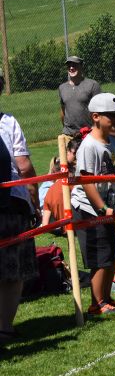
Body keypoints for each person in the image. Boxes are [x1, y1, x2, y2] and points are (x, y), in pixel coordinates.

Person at [71, 92, 115, 316]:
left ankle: (106, 297)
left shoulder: (112, 142)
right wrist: (103, 208)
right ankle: (97, 304)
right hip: (88, 209)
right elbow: (86, 182)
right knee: (100, 258)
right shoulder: (89, 146)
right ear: (95, 117)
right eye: (111, 116)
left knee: (112, 256)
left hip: (106, 208)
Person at [0, 108, 40, 343]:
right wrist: (35, 201)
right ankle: (4, 327)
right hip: (11, 203)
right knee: (12, 271)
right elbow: (23, 166)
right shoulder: (7, 121)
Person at [59, 56, 101, 137]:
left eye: (74, 65)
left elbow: (100, 110)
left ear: (81, 66)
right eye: (69, 65)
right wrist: (65, 128)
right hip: (68, 134)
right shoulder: (62, 87)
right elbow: (63, 110)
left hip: (88, 133)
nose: (71, 68)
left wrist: (95, 128)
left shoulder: (92, 85)